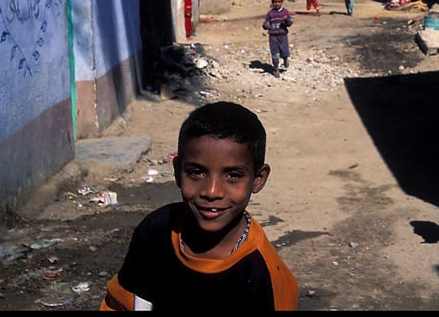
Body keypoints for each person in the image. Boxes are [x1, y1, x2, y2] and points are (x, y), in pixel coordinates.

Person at [100, 101, 299, 311]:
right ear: (177, 171)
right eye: (197, 172)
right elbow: (121, 303)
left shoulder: (263, 273)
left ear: (258, 179)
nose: (212, 192)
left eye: (233, 175)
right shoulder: (155, 232)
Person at [262, 0, 293, 77]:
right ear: (272, 3)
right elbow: (266, 23)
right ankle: (276, 69)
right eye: (275, 2)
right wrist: (265, 26)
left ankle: (285, 58)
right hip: (273, 36)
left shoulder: (285, 12)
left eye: (278, 2)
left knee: (284, 51)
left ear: (282, 2)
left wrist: (286, 20)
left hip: (282, 36)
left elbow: (290, 23)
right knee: (274, 53)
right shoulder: (270, 13)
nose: (277, 4)